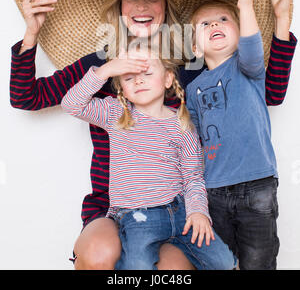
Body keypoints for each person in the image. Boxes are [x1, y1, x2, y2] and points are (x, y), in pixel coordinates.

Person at [10, 0, 297, 270]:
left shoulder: (192, 66)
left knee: (176, 269)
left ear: (166, 5)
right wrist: (31, 35)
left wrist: (282, 21)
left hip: (179, 207)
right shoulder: (103, 64)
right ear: (118, 6)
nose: (141, 6)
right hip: (115, 205)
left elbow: (267, 94)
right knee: (98, 255)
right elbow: (27, 97)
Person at [60, 41, 236, 270]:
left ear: (167, 79)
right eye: (128, 77)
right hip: (136, 216)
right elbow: (71, 104)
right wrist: (106, 70)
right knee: (138, 267)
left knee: (225, 261)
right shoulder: (116, 114)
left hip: (180, 210)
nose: (138, 80)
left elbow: (192, 177)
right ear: (121, 88)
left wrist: (198, 211)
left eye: (147, 72)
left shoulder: (182, 125)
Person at [185, 0, 297, 270]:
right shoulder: (192, 89)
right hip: (215, 189)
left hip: (257, 184)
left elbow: (251, 43)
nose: (214, 25)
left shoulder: (248, 68)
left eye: (224, 19)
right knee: (221, 262)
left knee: (259, 260)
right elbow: (195, 139)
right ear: (195, 49)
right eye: (205, 24)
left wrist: (245, 4)